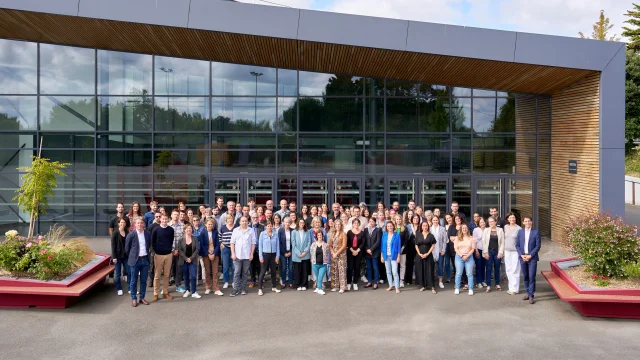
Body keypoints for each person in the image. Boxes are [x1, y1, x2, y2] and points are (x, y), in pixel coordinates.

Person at [125, 217, 151, 307]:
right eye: (138, 223)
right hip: (135, 260)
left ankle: (142, 298)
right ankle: (134, 298)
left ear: (143, 224)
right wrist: (133, 256)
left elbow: (149, 246)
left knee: (144, 281)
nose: (140, 224)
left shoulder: (147, 234)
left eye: (141, 223)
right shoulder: (131, 235)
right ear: (135, 224)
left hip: (145, 260)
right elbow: (127, 249)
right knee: (133, 280)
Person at [516, 217, 541, 304]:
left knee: (531, 276)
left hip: (532, 257)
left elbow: (538, 246)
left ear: (531, 222)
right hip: (523, 257)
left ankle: (531, 295)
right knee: (525, 276)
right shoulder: (520, 232)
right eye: (525, 221)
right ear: (523, 222)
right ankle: (527, 292)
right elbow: (517, 245)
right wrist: (521, 255)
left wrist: (530, 255)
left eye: (529, 221)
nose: (527, 222)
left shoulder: (536, 232)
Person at [230, 216, 257, 297]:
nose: (244, 222)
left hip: (247, 256)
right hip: (237, 255)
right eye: (243, 221)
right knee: (237, 272)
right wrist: (233, 254)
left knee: (245, 273)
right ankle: (235, 289)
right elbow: (232, 243)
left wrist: (251, 254)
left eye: (246, 221)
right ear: (239, 222)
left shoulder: (251, 230)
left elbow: (253, 243)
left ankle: (243, 288)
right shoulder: (235, 230)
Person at [151, 214, 174, 301]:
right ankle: (156, 293)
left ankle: (165, 292)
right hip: (158, 255)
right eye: (163, 219)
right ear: (160, 219)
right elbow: (152, 242)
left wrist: (169, 249)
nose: (164, 220)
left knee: (167, 275)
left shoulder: (171, 230)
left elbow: (171, 241)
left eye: (166, 219)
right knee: (157, 275)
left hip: (168, 255)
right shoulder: (156, 230)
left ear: (168, 220)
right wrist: (154, 251)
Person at [198, 219, 223, 296]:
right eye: (209, 224)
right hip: (206, 254)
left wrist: (214, 254)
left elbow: (218, 245)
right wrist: (208, 254)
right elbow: (202, 245)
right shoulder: (202, 233)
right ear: (205, 225)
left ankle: (216, 288)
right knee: (207, 271)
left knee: (215, 272)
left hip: (215, 254)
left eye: (212, 224)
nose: (210, 225)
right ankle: (208, 287)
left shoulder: (215, 232)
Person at [257, 221, 281, 296]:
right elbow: (260, 246)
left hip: (273, 255)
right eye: (268, 226)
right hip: (265, 254)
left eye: (270, 226)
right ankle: (260, 289)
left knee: (273, 271)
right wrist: (260, 256)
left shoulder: (275, 234)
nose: (269, 227)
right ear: (265, 227)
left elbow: (277, 246)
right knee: (263, 271)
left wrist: (277, 256)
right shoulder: (262, 234)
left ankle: (274, 287)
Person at [482, 216, 505, 293]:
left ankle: (497, 283)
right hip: (488, 251)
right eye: (489, 222)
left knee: (497, 268)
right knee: (488, 268)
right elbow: (484, 242)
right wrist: (485, 252)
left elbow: (502, 242)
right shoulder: (486, 230)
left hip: (497, 252)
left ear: (495, 222)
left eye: (492, 221)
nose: (491, 223)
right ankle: (488, 285)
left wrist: (501, 252)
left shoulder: (500, 230)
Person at [178, 225, 200, 299]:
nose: (189, 230)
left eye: (190, 228)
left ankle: (194, 292)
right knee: (186, 276)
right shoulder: (181, 239)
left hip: (192, 260)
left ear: (192, 230)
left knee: (193, 276)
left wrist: (191, 258)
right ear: (184, 230)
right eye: (187, 228)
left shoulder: (195, 239)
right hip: (184, 260)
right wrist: (186, 258)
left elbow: (197, 250)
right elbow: (179, 250)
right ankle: (187, 290)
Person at [415, 221, 437, 293]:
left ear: (428, 227)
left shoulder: (431, 235)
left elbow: (433, 245)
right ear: (421, 227)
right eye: (423, 226)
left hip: (428, 255)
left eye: (426, 226)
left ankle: (432, 286)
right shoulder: (418, 235)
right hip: (420, 255)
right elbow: (416, 245)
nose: (425, 227)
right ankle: (423, 285)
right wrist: (419, 254)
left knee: (429, 270)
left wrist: (427, 254)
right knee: (421, 270)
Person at [454, 223, 475, 295]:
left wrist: (467, 256)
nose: (464, 229)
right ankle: (457, 288)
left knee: (469, 274)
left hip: (469, 257)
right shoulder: (457, 238)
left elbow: (473, 249)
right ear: (461, 229)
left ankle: (471, 289)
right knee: (459, 273)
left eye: (466, 228)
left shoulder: (471, 238)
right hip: (459, 257)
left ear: (468, 229)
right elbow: (456, 249)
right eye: (463, 228)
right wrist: (462, 256)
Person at [503, 212, 522, 295]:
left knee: (515, 270)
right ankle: (511, 288)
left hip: (515, 252)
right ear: (508, 219)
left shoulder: (519, 229)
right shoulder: (505, 227)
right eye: (510, 218)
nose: (512, 219)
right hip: (507, 251)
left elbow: (521, 241)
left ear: (516, 219)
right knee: (508, 270)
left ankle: (515, 289)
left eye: (513, 218)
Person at [381, 221, 401, 294]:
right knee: (388, 272)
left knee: (395, 272)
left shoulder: (397, 235)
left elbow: (399, 247)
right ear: (386, 227)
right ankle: (390, 285)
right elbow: (382, 246)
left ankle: (397, 287)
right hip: (386, 256)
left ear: (393, 226)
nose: (389, 227)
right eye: (388, 226)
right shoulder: (384, 235)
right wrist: (382, 256)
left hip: (394, 256)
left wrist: (399, 257)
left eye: (391, 226)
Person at [110, 217, 128, 296]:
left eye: (124, 222)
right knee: (118, 274)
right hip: (117, 256)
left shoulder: (127, 232)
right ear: (118, 223)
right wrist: (114, 257)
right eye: (121, 222)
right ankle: (119, 288)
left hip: (125, 256)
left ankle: (130, 288)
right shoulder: (115, 233)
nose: (122, 224)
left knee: (128, 272)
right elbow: (113, 246)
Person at [346, 218, 365, 291]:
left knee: (357, 268)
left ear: (359, 224)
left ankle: (355, 283)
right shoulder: (349, 232)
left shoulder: (362, 232)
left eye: (357, 223)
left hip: (358, 252)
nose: (356, 224)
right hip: (350, 252)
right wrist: (352, 250)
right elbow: (348, 243)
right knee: (350, 268)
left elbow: (363, 243)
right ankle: (348, 283)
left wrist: (357, 251)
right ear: (352, 224)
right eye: (354, 223)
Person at [328, 219, 347, 293]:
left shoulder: (343, 234)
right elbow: (330, 245)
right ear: (334, 226)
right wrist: (333, 253)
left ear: (341, 225)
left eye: (339, 224)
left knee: (341, 270)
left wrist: (337, 253)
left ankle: (342, 287)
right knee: (334, 270)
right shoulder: (332, 233)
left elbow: (344, 245)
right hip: (333, 254)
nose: (338, 226)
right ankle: (335, 286)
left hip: (341, 254)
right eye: (336, 225)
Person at [168, 210, 185, 292]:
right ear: (171, 215)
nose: (176, 216)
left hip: (179, 251)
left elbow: (184, 239)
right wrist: (172, 250)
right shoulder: (167, 225)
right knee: (168, 269)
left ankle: (178, 286)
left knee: (179, 269)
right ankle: (165, 288)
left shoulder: (182, 226)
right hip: (168, 251)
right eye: (174, 214)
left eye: (177, 215)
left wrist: (177, 250)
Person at [219, 214, 237, 290]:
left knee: (234, 266)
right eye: (228, 219)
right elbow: (219, 237)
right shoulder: (222, 227)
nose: (230, 220)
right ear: (226, 220)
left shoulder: (236, 227)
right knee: (225, 266)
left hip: (235, 249)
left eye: (231, 218)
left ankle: (233, 281)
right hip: (225, 249)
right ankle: (226, 281)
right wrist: (221, 243)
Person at [395, 214, 412, 288]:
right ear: (395, 220)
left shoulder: (404, 228)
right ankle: (395, 280)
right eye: (397, 219)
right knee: (395, 266)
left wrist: (403, 247)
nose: (398, 220)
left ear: (401, 220)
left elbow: (406, 239)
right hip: (394, 250)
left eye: (399, 219)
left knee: (402, 265)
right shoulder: (393, 228)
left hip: (403, 250)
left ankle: (401, 280)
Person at [310, 231, 330, 295]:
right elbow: (311, 253)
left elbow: (327, 253)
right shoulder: (313, 244)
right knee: (317, 276)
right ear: (316, 236)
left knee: (320, 276)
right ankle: (318, 288)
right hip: (315, 264)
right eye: (318, 235)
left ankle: (320, 289)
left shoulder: (326, 245)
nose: (319, 236)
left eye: (320, 235)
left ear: (322, 236)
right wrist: (312, 261)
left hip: (323, 264)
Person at [364, 217, 381, 289]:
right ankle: (369, 282)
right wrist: (367, 249)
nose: (371, 223)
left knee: (375, 267)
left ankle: (376, 282)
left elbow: (378, 241)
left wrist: (371, 250)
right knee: (368, 268)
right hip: (367, 252)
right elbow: (364, 241)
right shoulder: (365, 230)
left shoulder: (378, 230)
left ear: (375, 222)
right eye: (370, 221)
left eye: (373, 221)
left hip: (375, 252)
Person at [277, 216, 294, 289]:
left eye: (288, 222)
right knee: (283, 268)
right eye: (286, 222)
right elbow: (279, 242)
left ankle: (290, 282)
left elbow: (293, 242)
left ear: (290, 223)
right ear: (283, 223)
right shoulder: (280, 231)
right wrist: (284, 253)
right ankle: (283, 282)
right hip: (283, 252)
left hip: (291, 252)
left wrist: (290, 252)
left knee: (290, 267)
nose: (287, 223)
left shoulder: (292, 231)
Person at [431, 216, 447, 289]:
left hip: (440, 250)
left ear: (438, 221)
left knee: (440, 266)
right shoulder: (429, 229)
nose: (435, 221)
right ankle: (432, 281)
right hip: (431, 251)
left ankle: (440, 281)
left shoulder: (442, 229)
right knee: (431, 266)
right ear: (432, 221)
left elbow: (445, 240)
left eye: (436, 220)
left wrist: (443, 250)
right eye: (434, 220)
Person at [249, 213, 265, 288]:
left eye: (256, 217)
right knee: (252, 267)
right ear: (251, 218)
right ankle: (253, 281)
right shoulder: (248, 227)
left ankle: (260, 282)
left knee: (260, 267)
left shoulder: (262, 227)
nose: (255, 219)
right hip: (251, 250)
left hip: (259, 249)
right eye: (253, 217)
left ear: (258, 218)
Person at [473, 217, 487, 288]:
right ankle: (478, 282)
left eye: (483, 222)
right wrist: (476, 251)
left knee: (483, 266)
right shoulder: (476, 230)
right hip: (478, 249)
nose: (482, 223)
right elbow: (474, 241)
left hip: (485, 250)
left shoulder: (487, 229)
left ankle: (482, 280)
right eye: (481, 222)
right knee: (478, 266)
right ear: (478, 223)